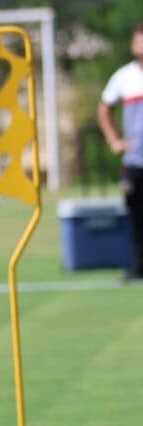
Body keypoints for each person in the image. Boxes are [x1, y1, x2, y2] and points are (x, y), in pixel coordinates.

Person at [97, 23, 143, 280]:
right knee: (136, 215)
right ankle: (138, 266)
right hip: (135, 160)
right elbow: (104, 109)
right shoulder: (124, 77)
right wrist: (114, 140)